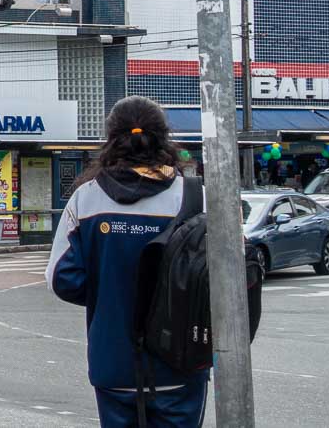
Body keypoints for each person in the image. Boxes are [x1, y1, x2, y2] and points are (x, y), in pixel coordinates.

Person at [46, 96, 209, 428]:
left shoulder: (86, 198)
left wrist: (109, 290)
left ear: (111, 138)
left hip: (113, 362)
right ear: (164, 138)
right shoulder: (196, 197)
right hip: (180, 361)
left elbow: (61, 279)